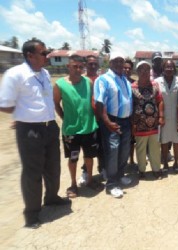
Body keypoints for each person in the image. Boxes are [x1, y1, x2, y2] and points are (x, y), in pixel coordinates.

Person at [0, 39, 70, 228]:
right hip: (30, 129)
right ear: (30, 55)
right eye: (43, 53)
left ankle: (52, 197)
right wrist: (22, 115)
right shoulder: (15, 74)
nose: (47, 56)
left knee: (53, 166)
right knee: (32, 172)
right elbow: (5, 104)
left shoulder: (45, 73)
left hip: (49, 126)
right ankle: (32, 213)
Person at [53, 54, 103, 198]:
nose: (78, 69)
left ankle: (90, 180)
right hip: (71, 129)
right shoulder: (60, 84)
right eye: (75, 66)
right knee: (73, 158)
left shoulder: (88, 82)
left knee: (89, 156)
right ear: (68, 66)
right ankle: (73, 184)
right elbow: (56, 103)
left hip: (89, 127)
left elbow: (93, 101)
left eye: (81, 67)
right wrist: (64, 117)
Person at [94, 52, 133, 198]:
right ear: (110, 63)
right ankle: (111, 184)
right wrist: (108, 122)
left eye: (121, 61)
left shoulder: (125, 80)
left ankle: (120, 175)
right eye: (116, 61)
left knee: (124, 150)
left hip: (126, 121)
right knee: (113, 152)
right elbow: (100, 103)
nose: (119, 64)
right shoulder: (103, 79)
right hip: (111, 121)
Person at [131, 61, 163, 179]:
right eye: (141, 69)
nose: (144, 72)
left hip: (154, 123)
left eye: (146, 69)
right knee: (140, 148)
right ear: (137, 71)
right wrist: (133, 123)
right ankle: (141, 170)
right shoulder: (133, 87)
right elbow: (131, 106)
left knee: (155, 148)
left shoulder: (155, 85)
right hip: (139, 124)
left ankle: (156, 169)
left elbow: (160, 101)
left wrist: (161, 117)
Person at [79, 55, 105, 184]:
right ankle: (85, 171)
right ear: (86, 65)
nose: (93, 66)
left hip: (101, 118)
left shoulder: (101, 79)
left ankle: (103, 168)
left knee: (102, 145)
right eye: (90, 64)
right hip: (88, 119)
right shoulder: (82, 80)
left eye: (95, 64)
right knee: (87, 147)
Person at [155, 60, 178, 173]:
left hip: (177, 117)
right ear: (163, 68)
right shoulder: (157, 82)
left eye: (171, 67)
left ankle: (176, 163)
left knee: (177, 141)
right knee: (164, 141)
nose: (169, 69)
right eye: (167, 67)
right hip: (163, 117)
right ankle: (165, 163)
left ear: (174, 69)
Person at [151, 51, 174, 163]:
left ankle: (167, 151)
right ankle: (152, 153)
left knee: (167, 130)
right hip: (153, 105)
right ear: (152, 61)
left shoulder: (165, 71)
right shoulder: (150, 73)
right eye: (156, 60)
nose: (158, 61)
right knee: (155, 132)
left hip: (168, 104)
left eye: (159, 59)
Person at [123, 58, 137, 169]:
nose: (127, 70)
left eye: (129, 68)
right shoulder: (117, 81)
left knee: (132, 140)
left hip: (132, 116)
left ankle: (132, 160)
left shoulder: (134, 83)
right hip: (120, 116)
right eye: (125, 68)